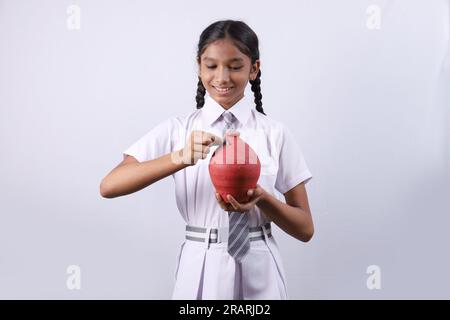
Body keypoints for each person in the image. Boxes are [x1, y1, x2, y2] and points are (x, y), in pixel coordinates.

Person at [100, 19, 314, 300]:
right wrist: (180, 157)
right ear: (199, 66)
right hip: (201, 266)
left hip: (261, 264)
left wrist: (262, 198)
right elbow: (110, 186)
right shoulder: (179, 130)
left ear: (254, 69)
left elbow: (305, 228)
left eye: (235, 66)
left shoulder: (275, 134)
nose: (222, 77)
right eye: (211, 66)